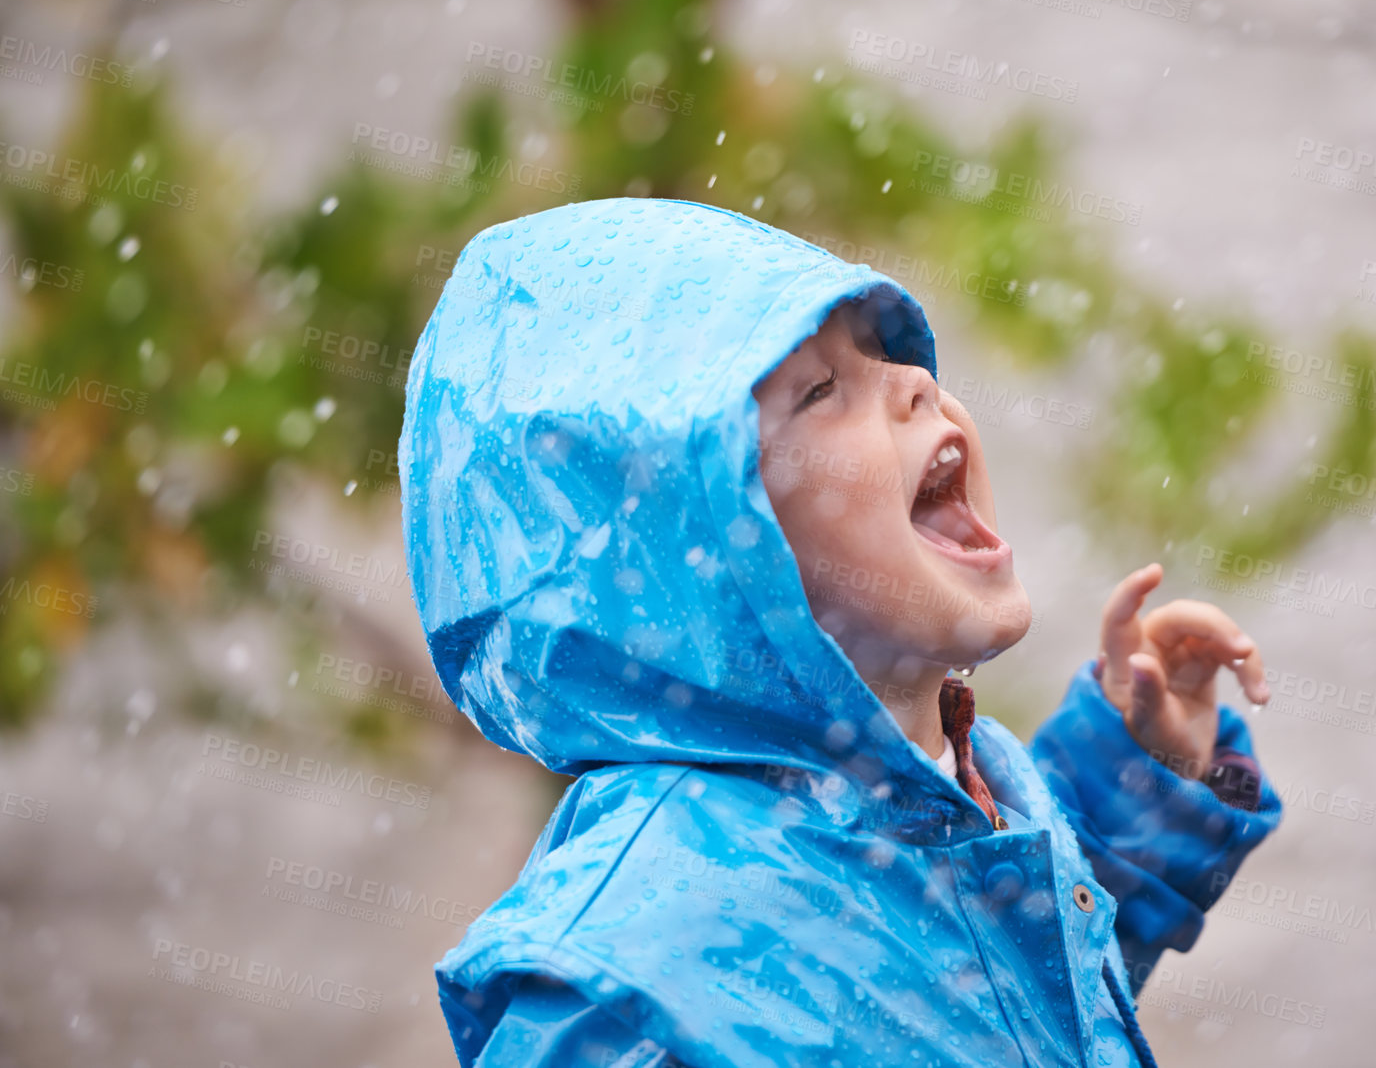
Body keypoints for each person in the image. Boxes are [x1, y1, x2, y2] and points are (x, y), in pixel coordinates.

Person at [399, 197, 1283, 1068]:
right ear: (694, 555)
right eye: (820, 391)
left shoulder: (958, 801)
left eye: (876, 350)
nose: (915, 380)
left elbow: (1003, 984)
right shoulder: (634, 983)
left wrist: (1142, 769)